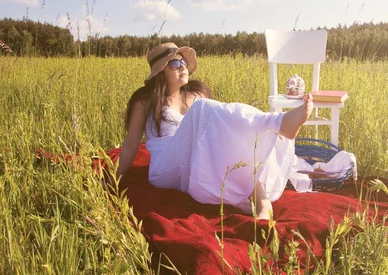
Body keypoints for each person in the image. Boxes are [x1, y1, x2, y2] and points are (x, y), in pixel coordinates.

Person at [116, 42, 313, 220]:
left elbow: (222, 130)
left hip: (194, 164)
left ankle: (262, 203)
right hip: (166, 166)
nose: (183, 66)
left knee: (225, 134)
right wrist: (113, 180)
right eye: (175, 64)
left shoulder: (195, 93)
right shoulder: (145, 100)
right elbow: (131, 144)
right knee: (202, 109)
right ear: (160, 72)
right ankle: (279, 122)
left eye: (183, 61)